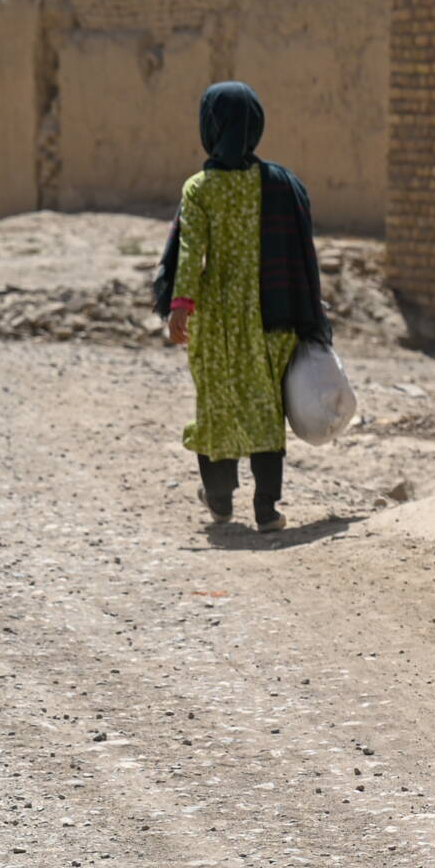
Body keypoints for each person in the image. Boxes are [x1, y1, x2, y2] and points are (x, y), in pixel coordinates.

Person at [155, 81, 331, 533]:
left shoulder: (199, 189)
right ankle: (267, 510)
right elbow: (299, 252)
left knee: (217, 404)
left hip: (215, 319)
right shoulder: (279, 184)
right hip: (272, 315)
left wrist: (179, 305)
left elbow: (191, 250)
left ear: (209, 128)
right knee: (266, 405)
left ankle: (220, 501)